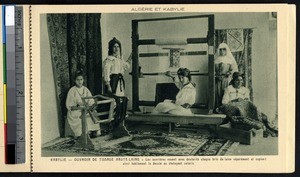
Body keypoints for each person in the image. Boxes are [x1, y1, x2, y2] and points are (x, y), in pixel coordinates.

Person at [218, 72, 278, 137]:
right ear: (233, 81)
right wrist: (235, 100)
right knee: (240, 110)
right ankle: (264, 130)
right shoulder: (229, 89)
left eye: (241, 80)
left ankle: (269, 128)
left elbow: (247, 101)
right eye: (237, 80)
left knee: (259, 113)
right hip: (232, 107)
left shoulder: (245, 90)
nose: (239, 82)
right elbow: (224, 102)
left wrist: (244, 100)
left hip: (244, 106)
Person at [103, 37, 131, 137]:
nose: (116, 48)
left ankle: (120, 123)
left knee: (122, 101)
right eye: (114, 47)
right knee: (114, 103)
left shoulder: (119, 59)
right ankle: (113, 125)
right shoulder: (108, 60)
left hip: (119, 83)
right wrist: (108, 85)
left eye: (117, 46)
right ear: (110, 48)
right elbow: (106, 74)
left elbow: (126, 66)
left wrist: (131, 57)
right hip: (113, 82)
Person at [65, 70, 100, 139]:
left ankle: (92, 131)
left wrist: (91, 106)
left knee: (93, 114)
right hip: (76, 110)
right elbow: (70, 105)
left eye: (81, 79)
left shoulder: (85, 89)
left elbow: (90, 100)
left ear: (83, 80)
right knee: (81, 116)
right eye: (77, 80)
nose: (79, 81)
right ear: (75, 81)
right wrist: (79, 107)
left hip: (85, 109)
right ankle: (83, 133)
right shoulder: (72, 90)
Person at [214, 43, 239, 108]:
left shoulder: (230, 60)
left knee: (225, 93)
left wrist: (228, 74)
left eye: (224, 50)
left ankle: (225, 108)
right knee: (217, 93)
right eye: (220, 50)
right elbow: (212, 70)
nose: (222, 51)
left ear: (226, 50)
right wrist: (216, 75)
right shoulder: (215, 60)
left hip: (226, 79)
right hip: (217, 79)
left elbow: (233, 70)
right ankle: (217, 108)